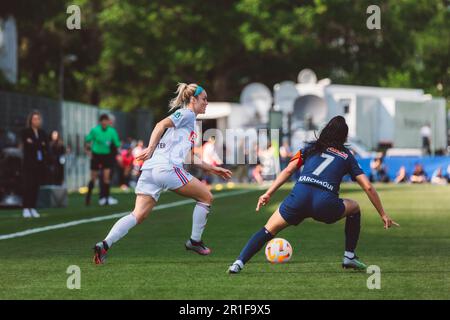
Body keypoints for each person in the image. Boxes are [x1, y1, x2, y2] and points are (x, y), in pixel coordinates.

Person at [228, 116, 398, 274]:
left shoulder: (309, 148)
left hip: (299, 198)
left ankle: (238, 263)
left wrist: (268, 193)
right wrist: (382, 214)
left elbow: (288, 170)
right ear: (344, 137)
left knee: (267, 230)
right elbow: (368, 187)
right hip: (325, 204)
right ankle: (349, 256)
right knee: (354, 207)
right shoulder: (347, 156)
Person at [93, 83, 232, 264]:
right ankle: (195, 241)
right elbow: (161, 124)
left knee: (138, 215)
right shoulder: (187, 113)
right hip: (166, 168)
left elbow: (189, 157)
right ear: (193, 100)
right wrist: (150, 148)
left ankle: (104, 244)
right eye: (204, 99)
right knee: (206, 197)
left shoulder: (191, 123)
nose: (207, 102)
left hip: (151, 170)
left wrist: (212, 168)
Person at [85, 114, 121, 206]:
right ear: (100, 122)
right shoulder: (95, 130)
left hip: (107, 156)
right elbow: (87, 140)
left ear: (108, 122)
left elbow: (117, 143)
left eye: (106, 120)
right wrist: (88, 150)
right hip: (96, 155)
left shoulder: (112, 131)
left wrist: (117, 152)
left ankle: (106, 199)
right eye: (103, 120)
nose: (104, 122)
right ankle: (88, 198)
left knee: (106, 178)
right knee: (93, 178)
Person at [20, 110, 49, 218]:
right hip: (28, 164)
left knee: (36, 186)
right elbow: (29, 146)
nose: (36, 121)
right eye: (34, 119)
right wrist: (39, 144)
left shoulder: (42, 132)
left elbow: (45, 145)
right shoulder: (25, 132)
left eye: (38, 119)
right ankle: (25, 208)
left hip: (39, 163)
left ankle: (32, 207)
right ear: (31, 120)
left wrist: (36, 143)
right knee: (28, 185)